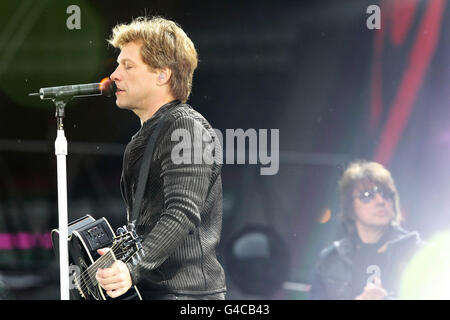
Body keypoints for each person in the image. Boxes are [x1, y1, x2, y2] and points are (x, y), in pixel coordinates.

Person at [95, 16, 226, 300]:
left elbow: (182, 212)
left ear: (162, 74)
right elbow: (149, 223)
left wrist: (132, 268)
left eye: (128, 66)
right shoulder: (151, 134)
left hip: (186, 295)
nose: (115, 74)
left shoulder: (185, 127)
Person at [309, 160, 421, 300]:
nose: (380, 201)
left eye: (386, 194)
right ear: (350, 206)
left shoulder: (419, 254)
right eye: (367, 195)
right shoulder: (331, 259)